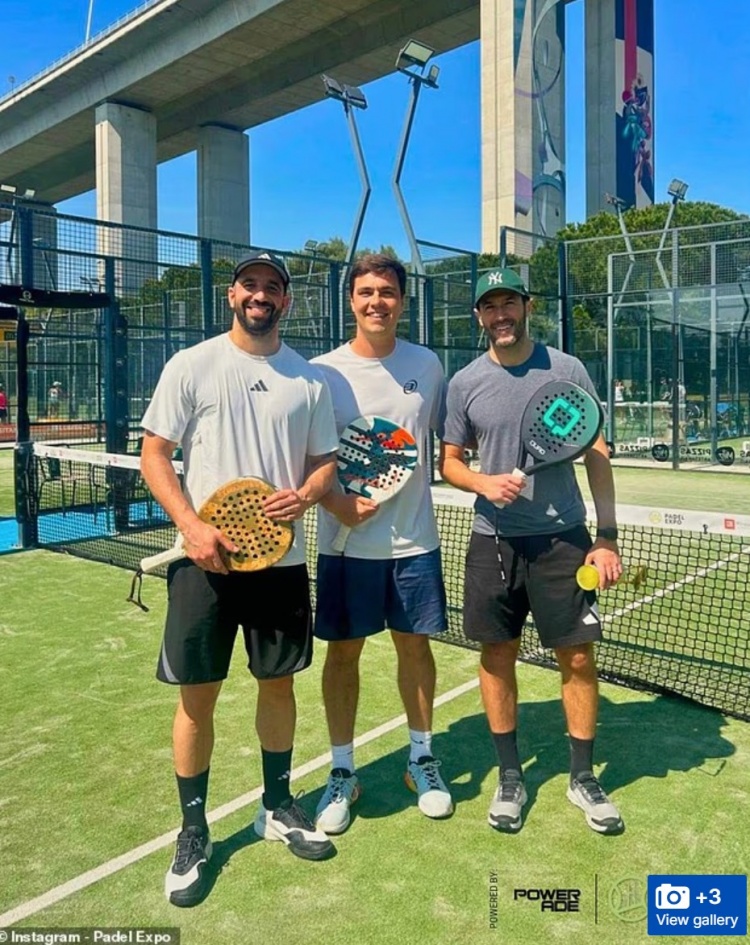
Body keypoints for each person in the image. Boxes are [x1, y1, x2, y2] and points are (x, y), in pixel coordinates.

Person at [140, 250, 340, 908]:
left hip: (281, 566)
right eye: (249, 285)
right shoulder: (192, 365)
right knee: (197, 697)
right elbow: (154, 454)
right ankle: (193, 830)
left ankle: (277, 806)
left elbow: (324, 464)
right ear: (232, 295)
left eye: (272, 287)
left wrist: (305, 494)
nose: (260, 295)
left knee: (278, 685)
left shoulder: (308, 380)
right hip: (204, 565)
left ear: (286, 300)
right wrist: (191, 526)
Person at [439, 268, 624, 836]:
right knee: (497, 656)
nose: (501, 315)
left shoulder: (566, 370)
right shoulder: (464, 383)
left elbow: (595, 452)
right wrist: (483, 483)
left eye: (509, 303)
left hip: (563, 540)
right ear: (479, 316)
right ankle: (510, 776)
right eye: (490, 306)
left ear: (526, 306)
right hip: (492, 541)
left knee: (577, 658)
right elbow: (450, 463)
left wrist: (606, 536)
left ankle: (582, 776)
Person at [310, 253, 453, 835]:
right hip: (345, 547)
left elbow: (453, 440)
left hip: (414, 543)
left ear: (402, 300)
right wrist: (335, 504)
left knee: (415, 650)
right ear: (351, 300)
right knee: (343, 655)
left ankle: (421, 758)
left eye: (387, 292)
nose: (377, 302)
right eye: (366, 292)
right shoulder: (322, 373)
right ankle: (342, 770)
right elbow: (307, 461)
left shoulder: (428, 365)